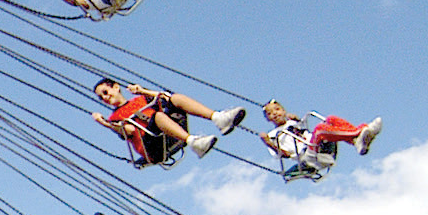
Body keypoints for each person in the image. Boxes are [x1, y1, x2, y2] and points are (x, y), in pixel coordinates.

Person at [91, 78, 248, 164]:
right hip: (151, 146)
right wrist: (104, 124)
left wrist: (143, 91)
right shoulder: (114, 118)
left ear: (116, 87)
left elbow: (164, 97)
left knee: (175, 98)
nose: (105, 97)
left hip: (166, 134)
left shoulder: (140, 99)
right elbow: (129, 131)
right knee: (157, 117)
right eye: (101, 97)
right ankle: (194, 142)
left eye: (105, 92)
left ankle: (218, 118)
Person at [257, 101, 382, 180]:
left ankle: (356, 140)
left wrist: (297, 119)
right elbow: (285, 155)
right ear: (268, 119)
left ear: (284, 111)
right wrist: (269, 143)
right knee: (320, 129)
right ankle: (359, 134)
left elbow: (303, 130)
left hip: (317, 145)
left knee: (331, 119)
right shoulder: (273, 135)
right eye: (270, 113)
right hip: (308, 156)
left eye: (277, 109)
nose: (274, 113)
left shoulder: (293, 122)